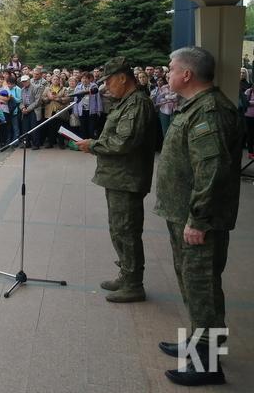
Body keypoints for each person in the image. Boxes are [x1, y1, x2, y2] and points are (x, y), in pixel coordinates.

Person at [154, 47, 243, 386]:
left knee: (203, 287)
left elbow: (213, 170)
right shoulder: (196, 107)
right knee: (192, 284)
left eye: (171, 67)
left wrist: (199, 219)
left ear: (187, 74)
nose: (168, 72)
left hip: (198, 220)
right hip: (184, 214)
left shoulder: (210, 111)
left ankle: (206, 366)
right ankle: (196, 344)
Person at [76, 57, 157, 303]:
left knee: (127, 230)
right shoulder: (126, 102)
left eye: (109, 80)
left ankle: (134, 283)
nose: (106, 86)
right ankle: (126, 274)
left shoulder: (138, 104)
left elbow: (123, 141)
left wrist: (93, 145)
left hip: (128, 178)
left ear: (123, 77)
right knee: (119, 229)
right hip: (118, 177)